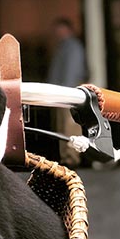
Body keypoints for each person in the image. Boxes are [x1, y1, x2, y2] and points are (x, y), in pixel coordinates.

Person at [47, 18, 89, 166]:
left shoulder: (73, 47)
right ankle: (66, 156)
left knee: (70, 125)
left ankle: (72, 157)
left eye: (60, 29)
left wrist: (66, 92)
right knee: (62, 126)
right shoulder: (62, 46)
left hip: (68, 92)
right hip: (60, 92)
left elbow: (71, 71)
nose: (57, 33)